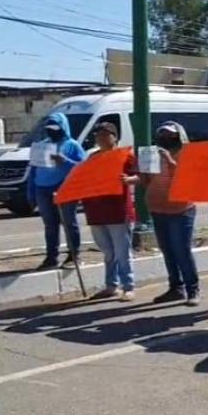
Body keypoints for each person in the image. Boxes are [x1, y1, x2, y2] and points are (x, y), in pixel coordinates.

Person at [143, 121, 201, 306]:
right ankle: (176, 287)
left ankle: (193, 289)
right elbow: (146, 180)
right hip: (158, 209)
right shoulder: (152, 154)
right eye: (163, 135)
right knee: (167, 250)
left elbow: (187, 180)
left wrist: (169, 161)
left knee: (181, 250)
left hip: (181, 210)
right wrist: (134, 177)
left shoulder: (187, 155)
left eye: (170, 135)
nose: (166, 138)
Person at [80, 122, 139, 301]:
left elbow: (141, 176)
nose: (101, 138)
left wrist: (128, 179)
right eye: (98, 134)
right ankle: (111, 285)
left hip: (118, 211)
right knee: (108, 252)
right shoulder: (93, 158)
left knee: (122, 251)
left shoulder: (125, 156)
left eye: (106, 134)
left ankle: (128, 286)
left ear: (115, 137)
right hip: (97, 211)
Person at [27, 113, 86, 270]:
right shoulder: (42, 145)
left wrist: (65, 162)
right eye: (49, 128)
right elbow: (33, 171)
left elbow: (83, 168)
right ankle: (51, 256)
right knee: (50, 224)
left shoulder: (72, 145)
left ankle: (74, 254)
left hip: (64, 187)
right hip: (42, 188)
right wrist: (31, 192)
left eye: (56, 128)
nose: (52, 131)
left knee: (68, 222)